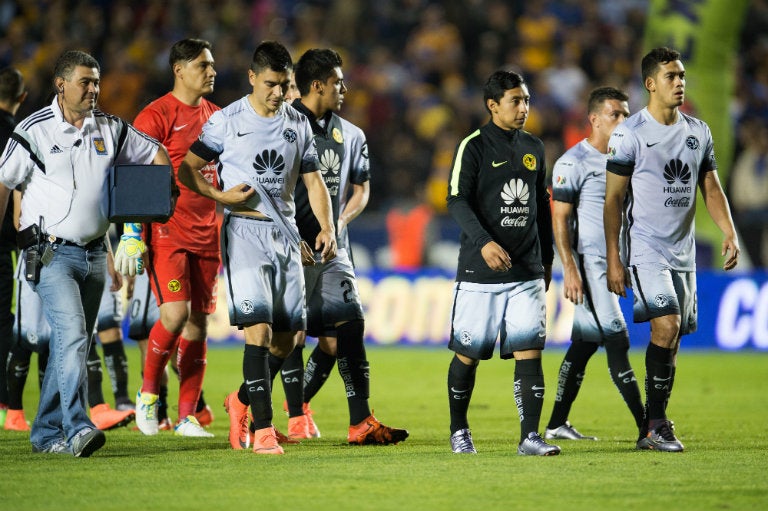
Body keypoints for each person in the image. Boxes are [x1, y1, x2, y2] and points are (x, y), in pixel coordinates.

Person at [0, 50, 170, 456]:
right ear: (61, 85)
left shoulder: (111, 128)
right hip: (49, 254)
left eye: (96, 81)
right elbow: (3, 182)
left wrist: (134, 229)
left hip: (96, 253)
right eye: (85, 81)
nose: (94, 88)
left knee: (72, 341)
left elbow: (156, 156)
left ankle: (45, 432)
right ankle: (78, 427)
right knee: (74, 335)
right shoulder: (32, 130)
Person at [178, 40, 336, 455]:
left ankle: (240, 400)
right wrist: (221, 196)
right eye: (270, 84)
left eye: (284, 85)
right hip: (245, 232)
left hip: (286, 237)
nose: (278, 94)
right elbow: (187, 170)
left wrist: (327, 227)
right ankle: (264, 431)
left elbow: (313, 180)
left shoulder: (297, 123)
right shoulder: (226, 121)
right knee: (260, 334)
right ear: (252, 77)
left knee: (289, 341)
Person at [604, 47, 740, 452]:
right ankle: (658, 425)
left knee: (673, 336)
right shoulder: (629, 134)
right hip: (645, 248)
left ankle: (651, 424)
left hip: (683, 253)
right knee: (666, 325)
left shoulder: (699, 131)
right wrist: (614, 257)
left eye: (682, 76)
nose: (680, 82)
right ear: (651, 84)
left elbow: (710, 187)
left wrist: (728, 231)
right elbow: (612, 200)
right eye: (671, 77)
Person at [276, 48, 408, 445]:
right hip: (290, 248)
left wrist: (338, 224)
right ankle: (268, 407)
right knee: (291, 336)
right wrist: (288, 234)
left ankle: (359, 421)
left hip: (334, 249)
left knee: (346, 329)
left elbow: (361, 189)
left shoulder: (351, 135)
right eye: (337, 81)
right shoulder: (280, 126)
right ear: (317, 84)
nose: (344, 88)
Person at [446, 70, 559, 456]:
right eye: (515, 100)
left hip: (526, 268)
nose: (524, 107)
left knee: (530, 349)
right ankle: (459, 430)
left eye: (526, 99)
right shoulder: (473, 147)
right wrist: (485, 243)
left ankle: (530, 436)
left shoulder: (534, 146)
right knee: (468, 354)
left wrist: (547, 257)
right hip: (480, 273)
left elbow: (541, 206)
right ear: (493, 105)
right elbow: (456, 199)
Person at [130, 38, 220, 438]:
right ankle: (148, 394)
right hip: (168, 231)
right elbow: (133, 177)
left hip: (208, 232)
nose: (212, 71)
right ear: (179, 70)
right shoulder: (155, 116)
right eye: (203, 65)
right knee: (174, 314)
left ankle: (187, 416)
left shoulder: (219, 117)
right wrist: (134, 233)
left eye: (212, 64)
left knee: (199, 325)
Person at [545, 86, 645, 441]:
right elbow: (560, 220)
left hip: (616, 263)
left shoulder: (626, 160)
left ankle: (556, 423)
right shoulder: (573, 162)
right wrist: (570, 268)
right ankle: (647, 427)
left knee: (585, 344)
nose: (622, 120)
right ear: (594, 119)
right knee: (617, 342)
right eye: (615, 114)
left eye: (626, 114)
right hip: (591, 266)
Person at [0, 67, 26, 428]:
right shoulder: (17, 135)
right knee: (6, 321)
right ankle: (9, 405)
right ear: (22, 97)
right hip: (4, 242)